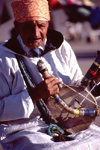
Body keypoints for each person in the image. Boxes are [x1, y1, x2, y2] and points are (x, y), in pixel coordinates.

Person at [0, 0, 100, 149]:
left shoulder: (61, 47)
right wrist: (33, 95)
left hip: (69, 122)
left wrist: (94, 82)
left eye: (41, 26)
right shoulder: (3, 58)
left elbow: (78, 88)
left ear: (48, 23)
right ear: (17, 27)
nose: (36, 34)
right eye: (28, 27)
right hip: (25, 129)